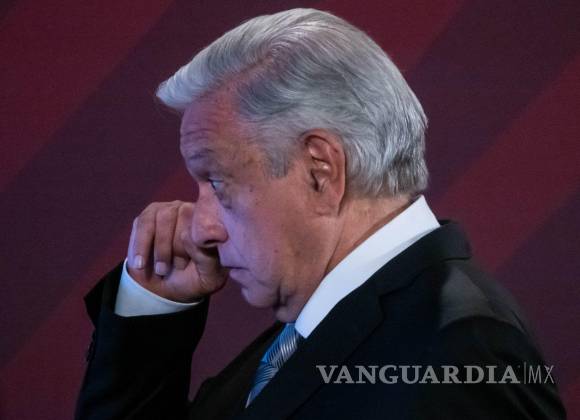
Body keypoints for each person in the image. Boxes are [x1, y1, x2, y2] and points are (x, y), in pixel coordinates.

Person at [75, 8, 565, 419]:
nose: (202, 227)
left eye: (218, 182)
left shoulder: (458, 350)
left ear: (320, 171)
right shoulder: (332, 325)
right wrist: (155, 311)